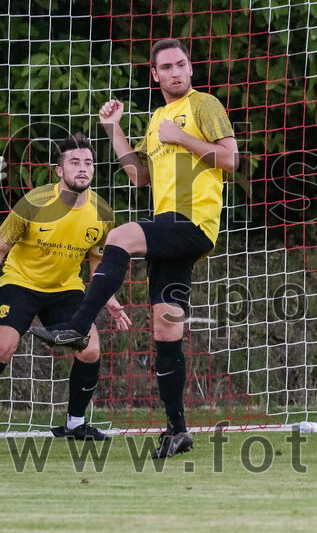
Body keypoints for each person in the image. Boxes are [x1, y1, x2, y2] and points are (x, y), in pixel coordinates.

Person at [32, 38, 238, 459]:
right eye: (167, 67)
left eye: (182, 64)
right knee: (166, 329)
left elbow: (230, 159)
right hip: (170, 235)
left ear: (190, 69)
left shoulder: (204, 106)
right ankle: (177, 430)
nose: (176, 72)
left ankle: (76, 324)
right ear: (155, 75)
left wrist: (181, 136)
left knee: (119, 235)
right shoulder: (158, 118)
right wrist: (113, 128)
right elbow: (139, 177)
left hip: (192, 220)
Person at [0, 134, 130, 440]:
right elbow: (1, 248)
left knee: (90, 349)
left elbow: (98, 264)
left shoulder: (102, 213)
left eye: (88, 163)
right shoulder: (34, 202)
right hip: (20, 281)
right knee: (4, 346)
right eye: (74, 162)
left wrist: (108, 298)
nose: (82, 168)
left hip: (66, 288)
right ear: (59, 170)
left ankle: (74, 424)